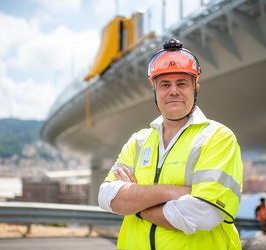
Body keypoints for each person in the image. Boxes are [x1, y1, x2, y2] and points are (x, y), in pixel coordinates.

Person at [98, 38, 243, 250]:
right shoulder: (139, 141)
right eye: (165, 84)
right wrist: (173, 192)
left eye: (182, 83)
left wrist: (135, 204)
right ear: (155, 91)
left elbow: (202, 215)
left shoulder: (218, 138)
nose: (173, 90)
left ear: (195, 88)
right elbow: (106, 197)